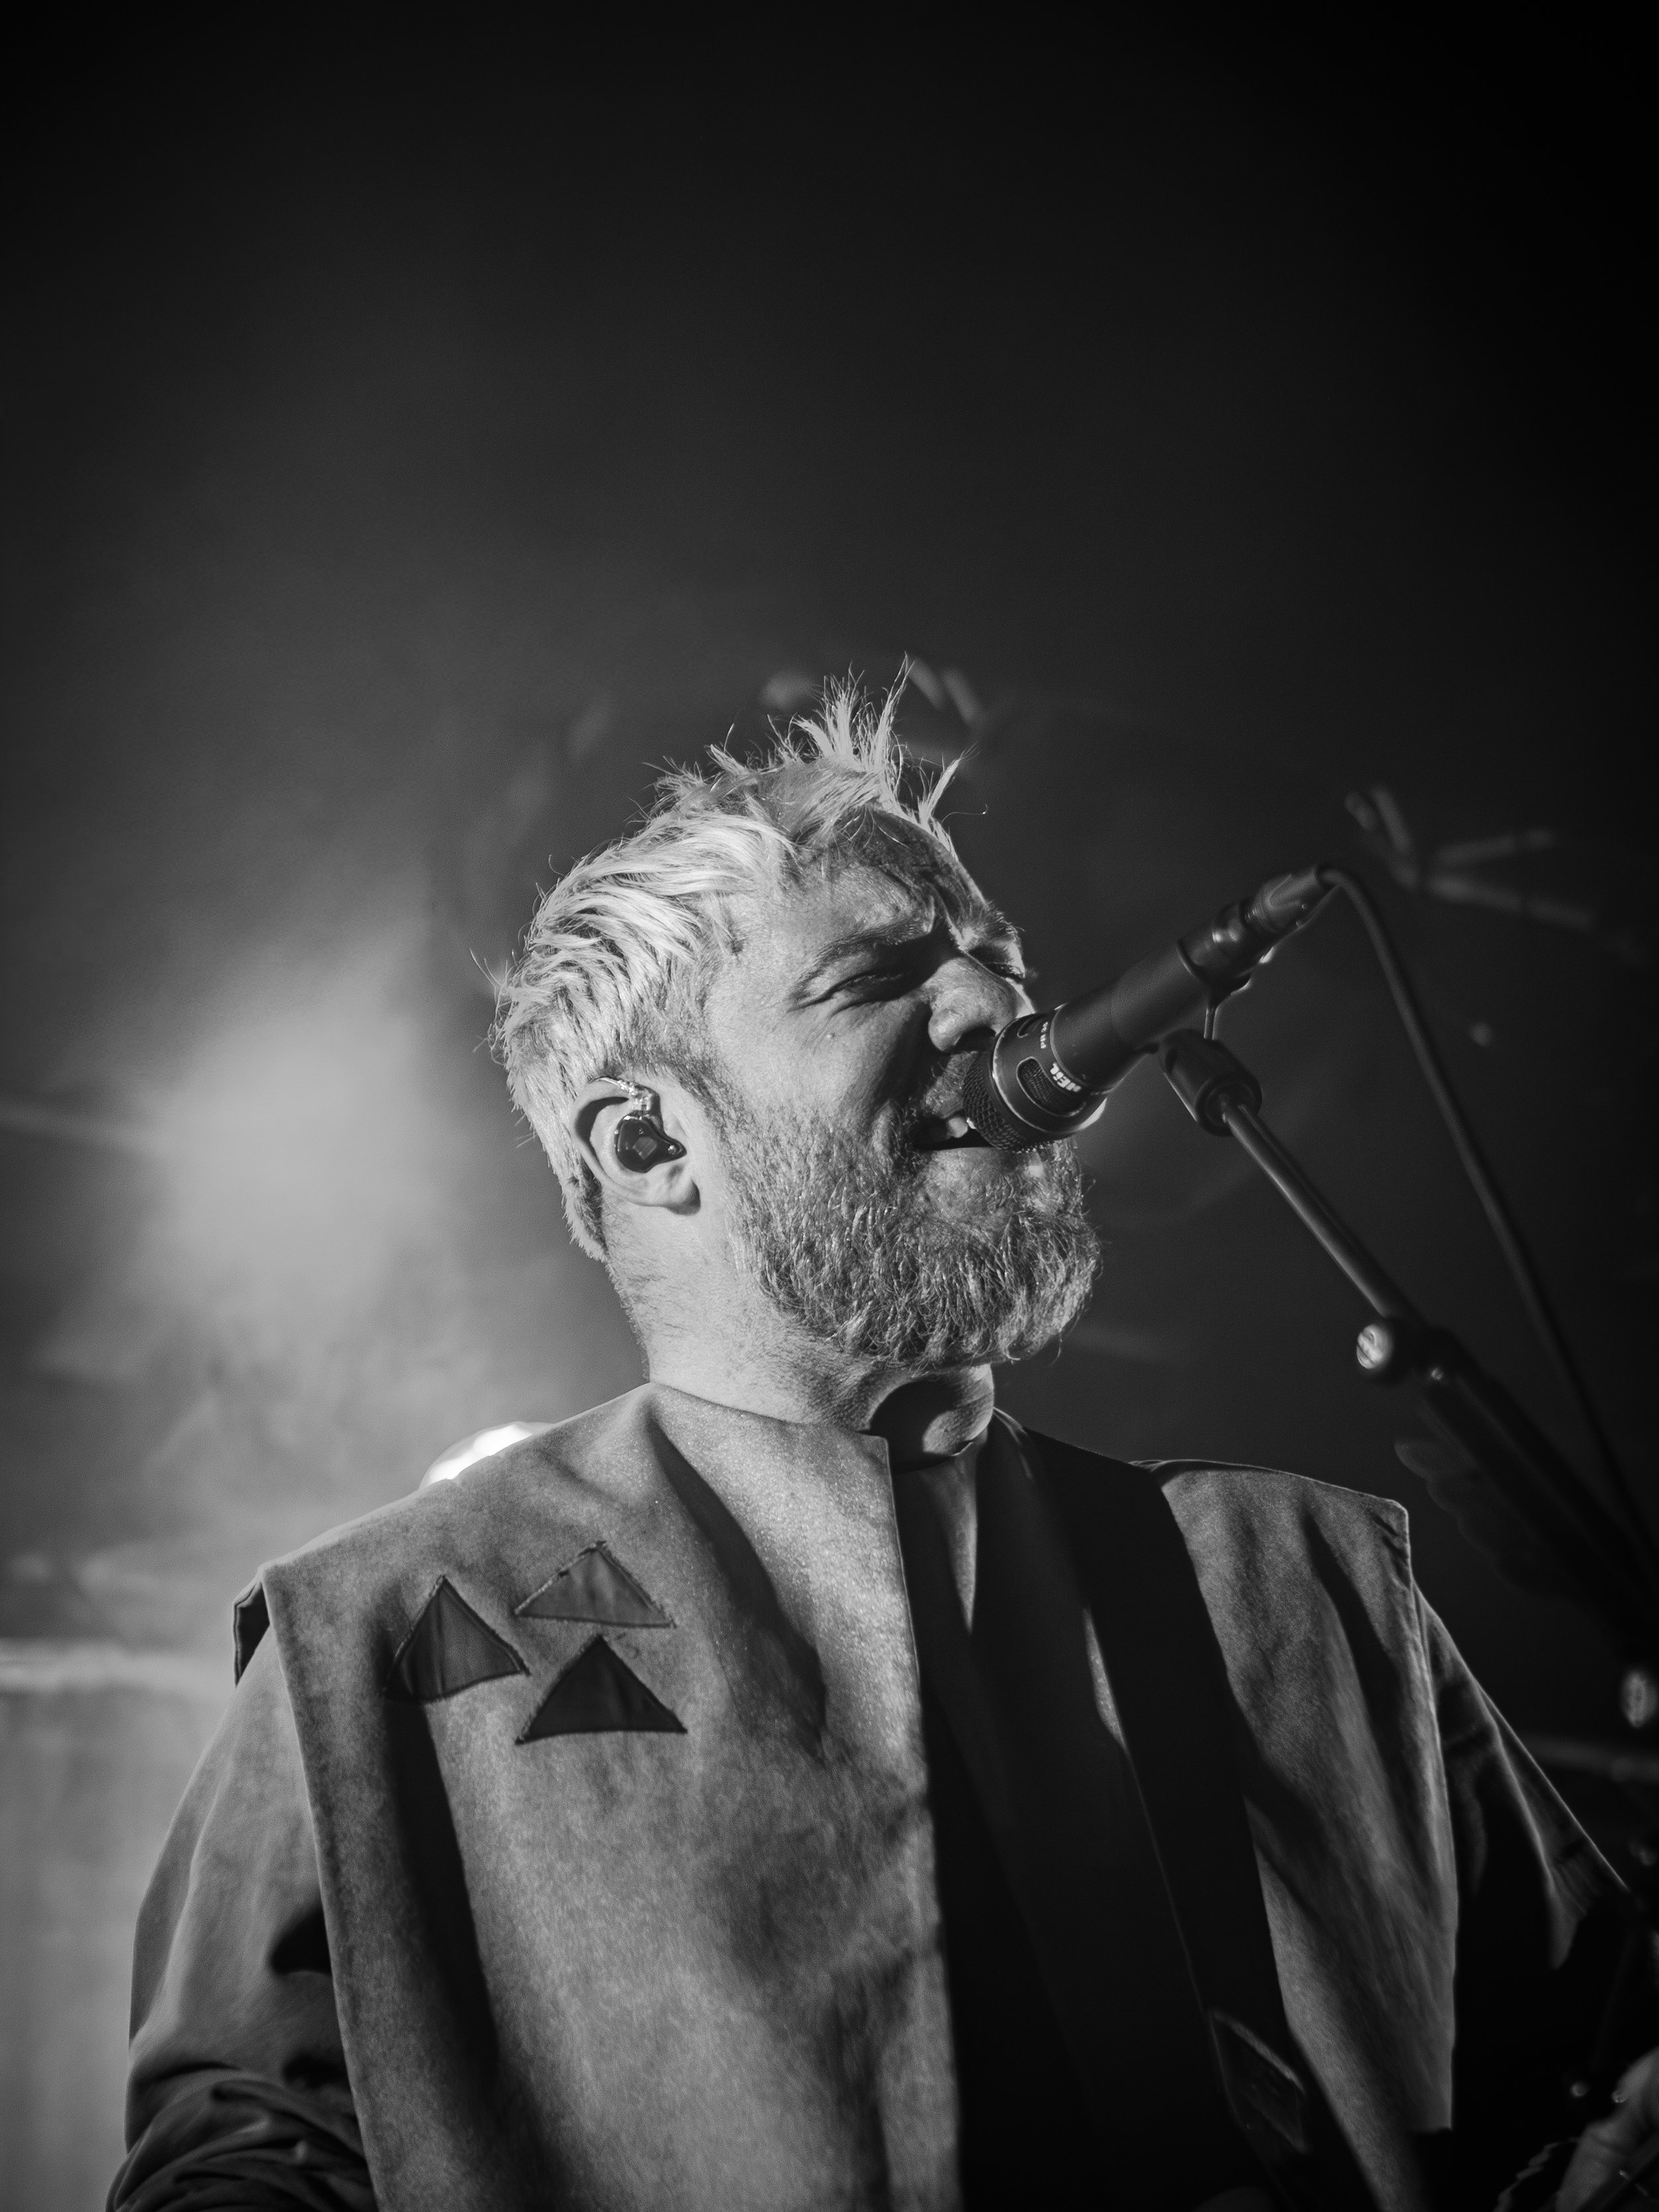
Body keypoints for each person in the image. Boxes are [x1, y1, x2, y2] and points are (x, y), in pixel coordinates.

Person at [111, 682, 1658, 2211]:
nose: (995, 1009)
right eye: (873, 978)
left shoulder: (1300, 1575)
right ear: (648, 1140)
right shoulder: (377, 1631)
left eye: (998, 963)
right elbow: (243, 2163)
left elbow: (1599, 2089)